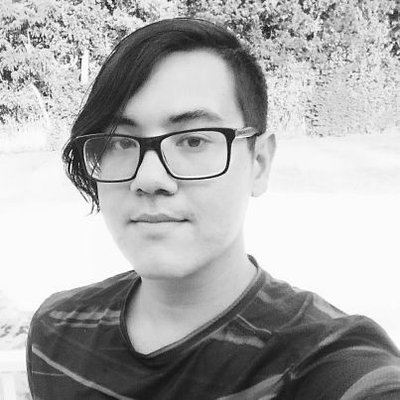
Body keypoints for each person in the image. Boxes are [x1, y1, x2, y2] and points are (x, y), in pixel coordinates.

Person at [26, 18, 400, 399]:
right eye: (120, 143)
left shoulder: (321, 361)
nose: (149, 178)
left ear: (259, 163)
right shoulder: (55, 335)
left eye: (192, 141)